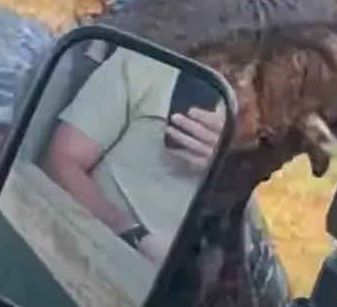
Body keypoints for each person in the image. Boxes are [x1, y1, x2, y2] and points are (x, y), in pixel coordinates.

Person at [40, 45, 226, 266]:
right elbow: (60, 162)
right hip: (90, 256)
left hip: (184, 286)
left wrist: (228, 168)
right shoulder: (146, 61)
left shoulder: (268, 124)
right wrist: (134, 236)